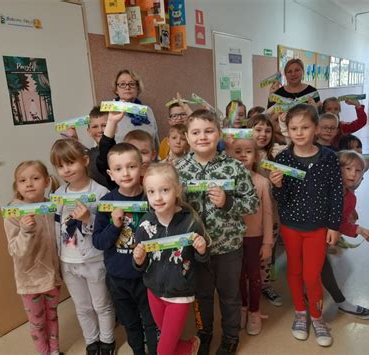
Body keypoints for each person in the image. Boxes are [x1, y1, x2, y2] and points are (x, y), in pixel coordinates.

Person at [175, 109, 258, 355]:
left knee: (230, 296)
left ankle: (231, 337)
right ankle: (204, 333)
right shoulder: (178, 169)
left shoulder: (234, 168)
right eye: (196, 132)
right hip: (195, 248)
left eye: (209, 131)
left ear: (219, 134)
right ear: (187, 137)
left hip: (228, 247)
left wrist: (228, 202)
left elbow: (253, 203)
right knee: (201, 297)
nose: (202, 137)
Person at [269, 104, 343, 347]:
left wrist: (334, 226)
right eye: (293, 128)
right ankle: (301, 313)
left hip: (318, 227)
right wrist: (277, 186)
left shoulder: (328, 158)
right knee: (295, 271)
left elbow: (336, 194)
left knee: (312, 275)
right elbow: (281, 198)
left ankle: (317, 316)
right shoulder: (283, 158)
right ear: (287, 130)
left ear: (316, 129)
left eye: (305, 127)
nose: (299, 132)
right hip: (291, 226)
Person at [133, 162, 209, 355]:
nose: (157, 197)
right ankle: (189, 346)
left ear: (177, 190)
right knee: (172, 344)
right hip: (154, 292)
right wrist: (139, 260)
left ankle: (187, 346)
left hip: (180, 293)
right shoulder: (144, 225)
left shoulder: (190, 221)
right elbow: (140, 265)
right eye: (151, 192)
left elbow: (203, 260)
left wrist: (201, 250)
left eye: (164, 190)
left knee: (163, 351)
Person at [50, 139, 115, 355]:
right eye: (60, 166)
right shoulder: (58, 195)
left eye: (70, 163)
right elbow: (56, 227)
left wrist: (88, 218)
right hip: (68, 259)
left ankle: (107, 340)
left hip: (94, 259)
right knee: (83, 306)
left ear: (85, 160)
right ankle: (91, 340)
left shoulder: (100, 193)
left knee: (101, 304)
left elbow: (107, 229)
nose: (66, 170)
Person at [92, 143, 158, 355]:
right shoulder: (106, 203)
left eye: (131, 166)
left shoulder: (152, 198)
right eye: (119, 169)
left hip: (147, 275)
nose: (126, 173)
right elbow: (99, 242)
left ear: (142, 168)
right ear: (110, 174)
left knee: (151, 322)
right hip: (118, 277)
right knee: (130, 323)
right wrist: (114, 225)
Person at [3, 161, 62, 355]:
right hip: (30, 279)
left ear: (46, 181)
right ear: (16, 185)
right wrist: (26, 231)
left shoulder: (50, 206)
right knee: (37, 322)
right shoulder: (14, 212)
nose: (29, 184)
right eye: (22, 180)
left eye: (35, 178)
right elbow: (15, 250)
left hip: (52, 275)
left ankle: (54, 351)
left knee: (52, 316)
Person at [320, 150, 369, 321]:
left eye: (358, 170)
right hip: (305, 235)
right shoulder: (323, 188)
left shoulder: (351, 198)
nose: (353, 174)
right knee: (317, 268)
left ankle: (337, 301)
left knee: (322, 267)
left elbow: (341, 222)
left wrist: (359, 229)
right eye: (348, 168)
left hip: (321, 240)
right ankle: (337, 301)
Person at [230, 139, 273, 336]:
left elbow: (267, 214)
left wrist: (267, 242)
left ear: (255, 156)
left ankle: (255, 311)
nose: (242, 155)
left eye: (248, 151)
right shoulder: (227, 182)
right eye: (237, 151)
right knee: (238, 276)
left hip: (255, 237)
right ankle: (244, 308)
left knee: (254, 277)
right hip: (233, 238)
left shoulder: (262, 182)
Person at [247, 114, 283, 307]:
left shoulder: (275, 156)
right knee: (250, 253)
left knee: (267, 252)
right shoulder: (240, 155)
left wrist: (278, 184)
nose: (262, 134)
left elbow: (283, 188)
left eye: (267, 130)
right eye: (258, 130)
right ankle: (250, 284)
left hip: (272, 214)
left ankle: (266, 284)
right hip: (249, 216)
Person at [96, 112, 157, 190]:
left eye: (143, 152)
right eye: (133, 152)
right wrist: (112, 122)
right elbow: (105, 154)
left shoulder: (159, 176)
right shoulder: (122, 177)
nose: (139, 158)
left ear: (153, 155)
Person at [267, 59, 321, 145]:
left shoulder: (312, 92)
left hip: (306, 138)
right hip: (281, 138)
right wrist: (271, 96)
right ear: (285, 74)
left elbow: (318, 117)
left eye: (297, 70)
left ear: (302, 72)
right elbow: (269, 117)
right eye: (289, 71)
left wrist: (315, 108)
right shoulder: (278, 93)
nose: (293, 74)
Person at [110, 69, 159, 149]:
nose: (127, 87)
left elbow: (155, 141)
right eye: (122, 84)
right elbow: (102, 145)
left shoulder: (147, 111)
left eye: (132, 84)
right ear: (116, 89)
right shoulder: (110, 112)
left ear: (138, 88)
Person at [86, 106, 109, 188]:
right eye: (95, 127)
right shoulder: (87, 156)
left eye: (104, 125)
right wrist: (73, 141)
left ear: (114, 127)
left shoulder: (122, 152)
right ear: (89, 131)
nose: (100, 130)